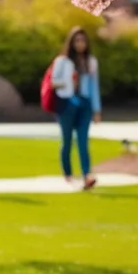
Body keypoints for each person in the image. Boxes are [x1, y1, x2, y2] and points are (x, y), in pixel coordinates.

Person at [49, 27, 102, 190]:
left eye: (83, 41)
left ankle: (87, 174)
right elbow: (53, 82)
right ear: (71, 43)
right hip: (67, 102)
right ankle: (68, 172)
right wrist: (67, 81)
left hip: (84, 102)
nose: (80, 44)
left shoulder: (91, 62)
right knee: (66, 140)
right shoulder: (62, 61)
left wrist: (96, 109)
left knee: (83, 140)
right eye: (77, 41)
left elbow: (94, 86)